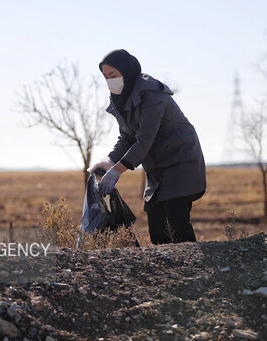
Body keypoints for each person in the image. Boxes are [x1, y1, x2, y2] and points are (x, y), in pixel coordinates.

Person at [88, 48, 206, 244]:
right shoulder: (121, 98)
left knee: (176, 222)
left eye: (113, 75)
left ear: (126, 72)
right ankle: (168, 272)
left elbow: (144, 140)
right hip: (158, 169)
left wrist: (117, 171)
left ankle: (194, 268)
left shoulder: (151, 94)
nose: (109, 81)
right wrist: (108, 161)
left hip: (181, 163)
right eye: (106, 76)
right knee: (157, 225)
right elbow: (127, 138)